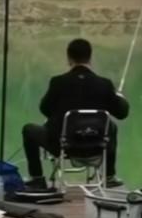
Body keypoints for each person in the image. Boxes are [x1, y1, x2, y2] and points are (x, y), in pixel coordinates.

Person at [22, 38, 129, 190]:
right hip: (96, 145)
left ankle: (37, 178)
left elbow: (44, 109)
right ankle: (109, 176)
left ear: (69, 58)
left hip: (61, 145)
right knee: (111, 126)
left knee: (28, 129)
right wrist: (120, 98)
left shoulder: (58, 82)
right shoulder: (104, 84)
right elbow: (122, 113)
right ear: (90, 58)